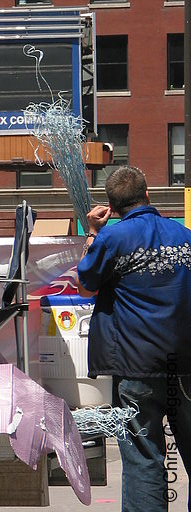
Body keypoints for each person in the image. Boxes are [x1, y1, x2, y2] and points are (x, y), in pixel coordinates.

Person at [77, 165, 191, 512]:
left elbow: (86, 286)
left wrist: (93, 234)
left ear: (111, 207)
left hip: (135, 366)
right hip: (185, 365)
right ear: (147, 195)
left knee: (143, 458)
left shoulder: (112, 238)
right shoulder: (185, 236)